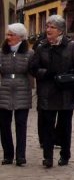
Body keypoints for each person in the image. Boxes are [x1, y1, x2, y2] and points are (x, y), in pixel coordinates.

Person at [29, 15, 74, 168]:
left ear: (60, 31)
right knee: (47, 126)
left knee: (65, 126)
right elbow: (32, 68)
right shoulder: (41, 47)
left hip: (66, 91)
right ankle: (48, 157)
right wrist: (44, 73)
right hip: (47, 91)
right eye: (47, 27)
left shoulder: (71, 46)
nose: (48, 30)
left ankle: (65, 155)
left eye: (52, 27)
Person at [0, 23, 33, 166]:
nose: (8, 37)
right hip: (5, 90)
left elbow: (32, 73)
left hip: (22, 91)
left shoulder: (29, 53)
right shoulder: (2, 52)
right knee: (4, 124)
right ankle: (8, 154)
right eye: (8, 34)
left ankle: (20, 156)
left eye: (11, 35)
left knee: (21, 124)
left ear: (20, 37)